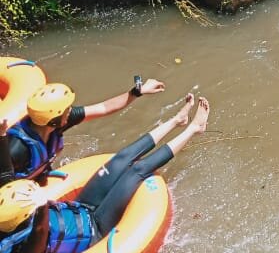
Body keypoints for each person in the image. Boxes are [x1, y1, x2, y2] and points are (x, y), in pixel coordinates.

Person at [0, 95, 209, 253]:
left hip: (80, 206)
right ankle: (194, 128)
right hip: (96, 228)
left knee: (121, 158)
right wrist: (42, 203)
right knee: (137, 170)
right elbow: (39, 229)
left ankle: (176, 120)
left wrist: (1, 135)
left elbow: (5, 175)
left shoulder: (8, 214)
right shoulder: (29, 247)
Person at [7, 75, 166, 181]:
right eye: (67, 109)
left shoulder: (57, 121)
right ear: (54, 120)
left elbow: (104, 107)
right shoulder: (16, 149)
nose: (71, 110)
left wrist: (138, 91)